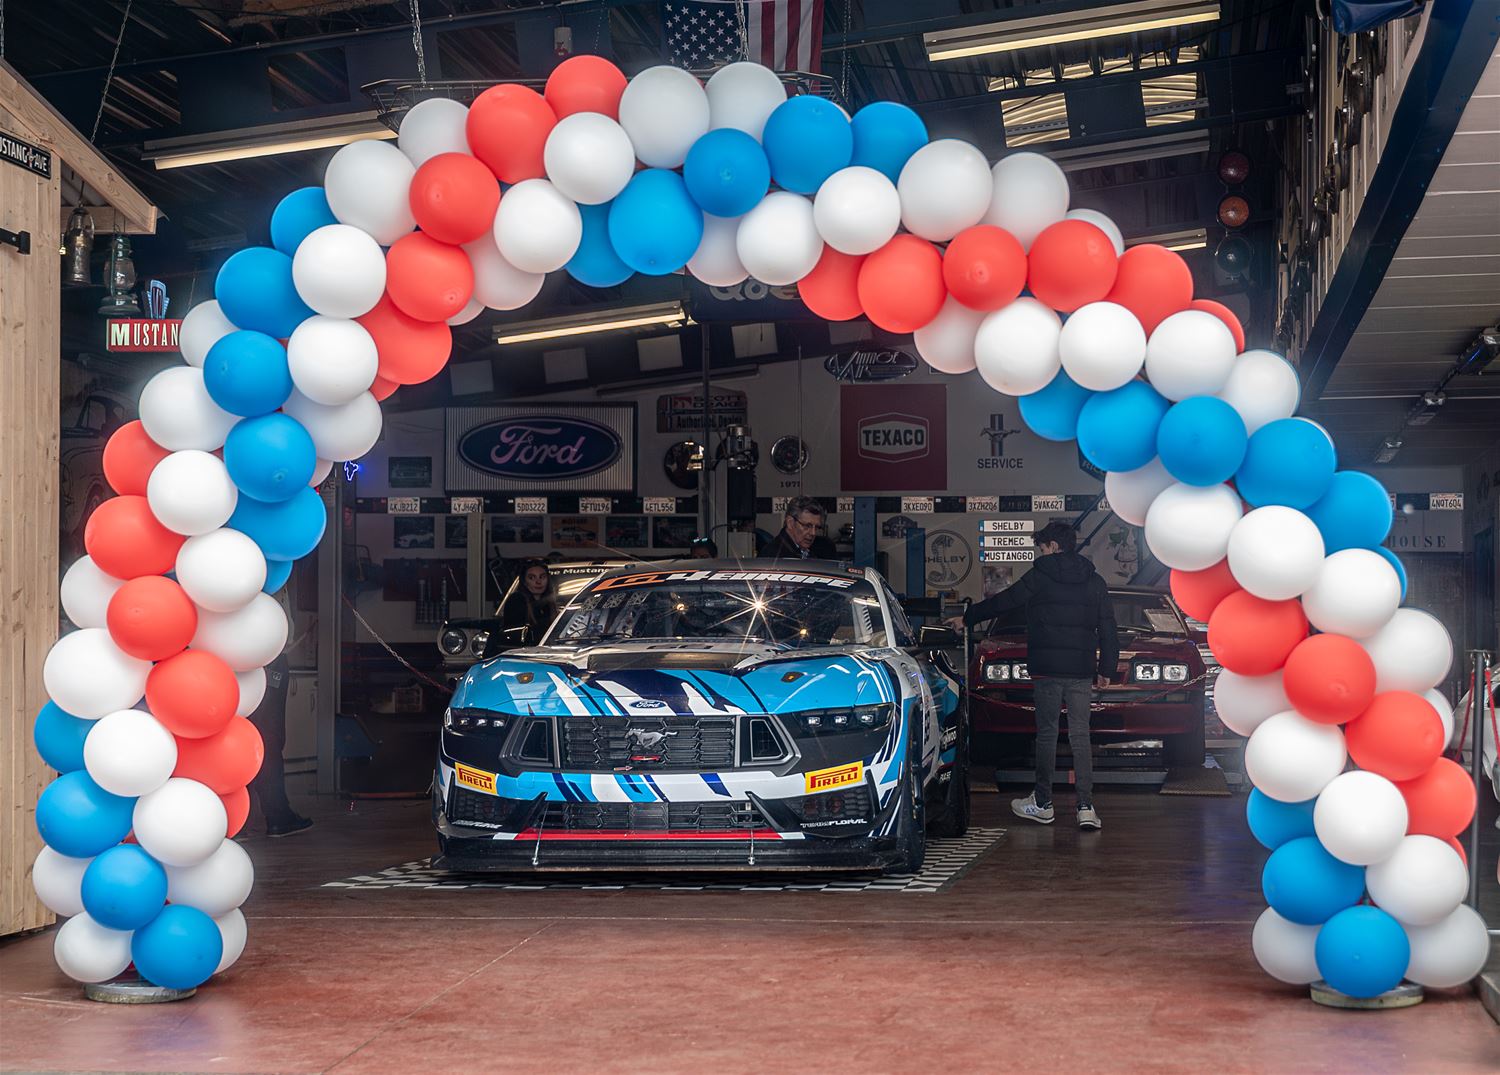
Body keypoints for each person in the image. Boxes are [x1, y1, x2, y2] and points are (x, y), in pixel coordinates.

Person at [946, 521, 1118, 830]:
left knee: (1047, 735)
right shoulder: (1094, 580)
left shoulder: (1040, 575)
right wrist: (1106, 668)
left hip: (1047, 669)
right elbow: (1108, 627)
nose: (1041, 553)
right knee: (1081, 736)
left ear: (1053, 546)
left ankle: (1043, 803)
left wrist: (968, 617)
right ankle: (1086, 808)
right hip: (1080, 670)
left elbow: (1005, 601)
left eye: (1042, 548)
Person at [249, 654, 313, 838]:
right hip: (267, 659)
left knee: (250, 739)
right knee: (269, 740)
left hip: (239, 662)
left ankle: (242, 822)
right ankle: (278, 817)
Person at [489, 559, 556, 652]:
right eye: (532, 578)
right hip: (519, 652)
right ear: (524, 581)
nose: (538, 582)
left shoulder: (550, 604)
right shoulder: (517, 600)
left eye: (542, 577)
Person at [762, 496, 837, 560]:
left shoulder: (826, 548)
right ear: (790, 523)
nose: (813, 533)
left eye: (817, 527)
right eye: (807, 526)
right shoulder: (772, 556)